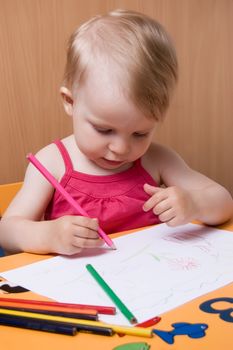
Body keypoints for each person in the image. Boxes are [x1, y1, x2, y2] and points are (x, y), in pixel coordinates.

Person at [0, 9, 232, 256]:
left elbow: (223, 201)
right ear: (70, 101)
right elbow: (7, 231)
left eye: (140, 133)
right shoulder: (51, 163)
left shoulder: (158, 159)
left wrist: (194, 205)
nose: (121, 148)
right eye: (104, 129)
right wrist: (49, 235)